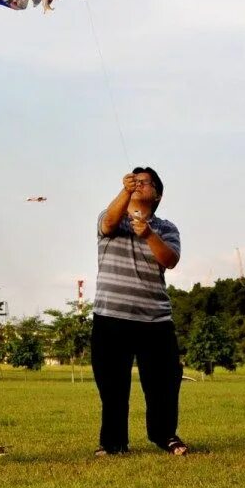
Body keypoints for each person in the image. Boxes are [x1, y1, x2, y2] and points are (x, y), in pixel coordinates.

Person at [92, 167, 189, 456]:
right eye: (134, 180)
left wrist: (148, 234)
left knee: (163, 384)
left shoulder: (166, 228)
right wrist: (124, 191)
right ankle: (113, 444)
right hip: (111, 315)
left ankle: (165, 436)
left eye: (145, 182)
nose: (138, 184)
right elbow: (108, 223)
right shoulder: (111, 217)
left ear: (156, 193)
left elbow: (169, 260)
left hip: (155, 318)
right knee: (112, 387)